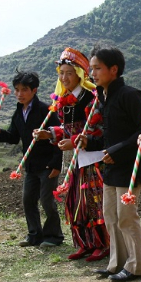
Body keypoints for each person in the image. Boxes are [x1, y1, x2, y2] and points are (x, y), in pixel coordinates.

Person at [82, 46, 141, 282]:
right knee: (111, 216)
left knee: (126, 216)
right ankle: (118, 263)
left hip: (130, 167)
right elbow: (108, 137)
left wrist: (117, 151)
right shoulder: (104, 98)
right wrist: (87, 142)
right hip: (112, 167)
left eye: (97, 68)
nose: (92, 73)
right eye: (91, 68)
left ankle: (137, 266)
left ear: (113, 70)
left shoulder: (130, 95)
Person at [34, 48, 110, 261]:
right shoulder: (63, 101)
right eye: (61, 73)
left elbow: (96, 131)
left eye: (69, 72)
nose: (64, 78)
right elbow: (67, 131)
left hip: (93, 159)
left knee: (95, 202)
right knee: (77, 202)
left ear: (79, 74)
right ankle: (84, 242)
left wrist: (75, 141)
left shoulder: (92, 98)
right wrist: (49, 133)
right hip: (75, 160)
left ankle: (102, 243)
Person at [0, 70, 64, 247]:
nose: (19, 94)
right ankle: (34, 235)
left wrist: (56, 163)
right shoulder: (18, 113)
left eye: (24, 89)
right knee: (28, 200)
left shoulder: (47, 110)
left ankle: (53, 236)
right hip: (30, 165)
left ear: (34, 90)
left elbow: (60, 137)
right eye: (16, 89)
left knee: (47, 201)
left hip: (47, 164)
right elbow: (14, 137)